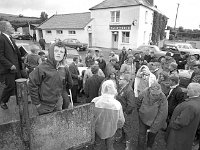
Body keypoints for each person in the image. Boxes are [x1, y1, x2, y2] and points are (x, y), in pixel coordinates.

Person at [28, 41, 73, 115]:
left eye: (61, 52)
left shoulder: (64, 68)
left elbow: (68, 84)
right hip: (44, 105)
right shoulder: (42, 68)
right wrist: (37, 104)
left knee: (58, 122)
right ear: (51, 52)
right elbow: (32, 85)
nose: (59, 53)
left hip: (58, 102)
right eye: (56, 51)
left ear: (64, 55)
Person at [92, 80, 125, 150]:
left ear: (102, 88)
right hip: (111, 129)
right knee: (110, 146)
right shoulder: (117, 104)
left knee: (97, 145)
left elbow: (91, 117)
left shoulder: (95, 101)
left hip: (98, 129)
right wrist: (117, 127)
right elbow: (121, 120)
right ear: (113, 89)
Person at [166, 83, 200, 150]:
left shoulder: (191, 106)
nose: (186, 90)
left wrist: (171, 124)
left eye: (188, 88)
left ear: (194, 91)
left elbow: (181, 122)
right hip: (186, 134)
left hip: (179, 136)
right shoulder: (196, 101)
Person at [136, 82, 168, 150]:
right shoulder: (144, 93)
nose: (156, 96)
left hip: (154, 120)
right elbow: (138, 102)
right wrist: (141, 111)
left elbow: (162, 114)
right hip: (143, 118)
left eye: (157, 94)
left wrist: (154, 127)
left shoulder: (163, 98)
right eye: (153, 94)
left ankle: (149, 147)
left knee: (152, 135)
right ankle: (140, 147)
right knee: (141, 134)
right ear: (150, 90)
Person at [0, 21, 23, 110]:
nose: (12, 27)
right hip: (9, 69)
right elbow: (0, 56)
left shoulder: (9, 38)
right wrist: (10, 65)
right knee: (10, 86)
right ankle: (3, 101)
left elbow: (15, 52)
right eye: (10, 26)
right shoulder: (1, 39)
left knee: (19, 85)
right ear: (5, 28)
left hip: (16, 66)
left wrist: (21, 59)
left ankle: (20, 100)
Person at [116, 74, 138, 150]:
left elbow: (131, 104)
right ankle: (122, 138)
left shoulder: (129, 91)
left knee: (127, 128)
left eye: (121, 79)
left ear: (126, 81)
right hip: (121, 111)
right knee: (122, 126)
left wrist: (126, 113)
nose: (119, 80)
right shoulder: (121, 88)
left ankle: (128, 145)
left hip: (126, 113)